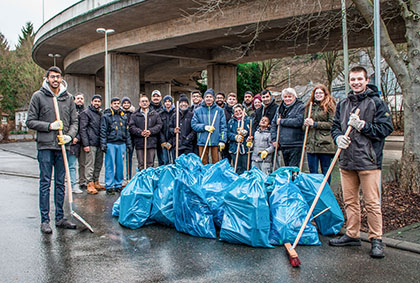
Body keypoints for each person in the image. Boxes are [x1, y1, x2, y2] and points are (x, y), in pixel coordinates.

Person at [329, 66, 393, 259]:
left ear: (366, 81)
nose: (356, 82)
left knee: (372, 203)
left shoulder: (376, 103)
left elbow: (385, 128)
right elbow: (334, 127)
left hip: (369, 161)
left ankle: (376, 239)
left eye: (359, 79)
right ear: (349, 81)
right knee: (350, 201)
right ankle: (352, 233)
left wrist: (363, 126)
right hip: (347, 161)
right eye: (353, 79)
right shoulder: (343, 104)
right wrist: (338, 137)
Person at [26, 66, 78, 234]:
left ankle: (60, 218)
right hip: (46, 146)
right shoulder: (38, 96)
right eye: (52, 77)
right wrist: (49, 126)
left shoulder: (68, 98)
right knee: (45, 182)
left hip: (62, 146)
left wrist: (69, 136)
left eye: (58, 77)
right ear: (47, 79)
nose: (55, 80)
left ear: (61, 79)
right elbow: (30, 121)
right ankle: (45, 220)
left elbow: (74, 122)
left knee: (61, 183)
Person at [303, 84, 337, 184]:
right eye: (316, 93)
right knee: (312, 171)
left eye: (320, 93)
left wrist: (315, 124)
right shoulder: (310, 107)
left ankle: (325, 192)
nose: (318, 95)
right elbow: (304, 126)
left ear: (325, 94)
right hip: (311, 144)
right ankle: (315, 192)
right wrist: (305, 124)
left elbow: (332, 124)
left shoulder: (330, 106)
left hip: (325, 144)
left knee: (325, 171)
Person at [100, 97, 132, 195]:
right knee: (109, 165)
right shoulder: (107, 116)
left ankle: (118, 184)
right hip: (111, 143)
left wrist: (129, 143)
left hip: (121, 143)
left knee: (120, 166)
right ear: (111, 105)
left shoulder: (123, 116)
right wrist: (103, 143)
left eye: (118, 103)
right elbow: (103, 130)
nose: (117, 105)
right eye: (115, 103)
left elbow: (127, 132)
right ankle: (109, 185)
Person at [191, 88, 227, 165]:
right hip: (202, 140)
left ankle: (215, 177)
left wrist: (222, 140)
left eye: (210, 97)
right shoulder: (198, 110)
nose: (208, 98)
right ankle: (204, 176)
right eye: (207, 97)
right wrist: (204, 127)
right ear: (204, 98)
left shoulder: (219, 110)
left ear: (213, 98)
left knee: (216, 162)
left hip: (215, 140)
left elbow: (223, 126)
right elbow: (194, 125)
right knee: (203, 162)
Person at [270, 88, 305, 167]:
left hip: (295, 143)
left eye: (290, 97)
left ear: (294, 97)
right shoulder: (280, 109)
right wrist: (274, 139)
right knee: (286, 168)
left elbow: (299, 121)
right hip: (283, 144)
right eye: (285, 97)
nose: (287, 99)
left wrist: (282, 121)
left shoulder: (300, 107)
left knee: (293, 168)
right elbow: (274, 123)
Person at [79, 94, 105, 195]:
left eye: (99, 101)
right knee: (90, 165)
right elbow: (83, 129)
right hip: (90, 143)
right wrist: (86, 144)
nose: (97, 103)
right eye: (95, 101)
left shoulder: (101, 113)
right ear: (91, 102)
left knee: (98, 164)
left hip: (99, 143)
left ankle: (96, 181)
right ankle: (89, 183)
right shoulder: (86, 113)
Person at [129, 95, 163, 170]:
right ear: (139, 103)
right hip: (140, 143)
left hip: (151, 142)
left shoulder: (154, 114)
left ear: (149, 103)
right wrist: (140, 132)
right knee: (141, 164)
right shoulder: (135, 115)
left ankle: (149, 180)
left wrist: (150, 131)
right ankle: (142, 180)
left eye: (146, 101)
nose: (144, 103)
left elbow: (159, 125)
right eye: (142, 101)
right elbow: (132, 126)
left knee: (150, 164)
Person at [227, 104, 251, 174]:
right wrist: (235, 137)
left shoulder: (248, 120)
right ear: (233, 113)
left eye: (239, 110)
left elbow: (252, 132)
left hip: (245, 148)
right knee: (237, 167)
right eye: (236, 111)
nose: (238, 112)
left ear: (243, 111)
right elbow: (228, 133)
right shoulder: (231, 122)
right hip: (235, 148)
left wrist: (246, 133)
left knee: (246, 167)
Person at [68, 92, 84, 194]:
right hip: (71, 142)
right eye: (78, 98)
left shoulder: (85, 112)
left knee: (82, 165)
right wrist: (72, 137)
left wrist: (78, 137)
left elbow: (83, 128)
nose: (80, 100)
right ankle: (72, 185)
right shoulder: (70, 111)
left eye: (81, 98)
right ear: (74, 100)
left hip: (81, 142)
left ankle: (82, 183)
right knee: (72, 165)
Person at [121, 96, 135, 180]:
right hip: (122, 139)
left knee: (129, 158)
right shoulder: (119, 113)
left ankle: (128, 176)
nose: (126, 104)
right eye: (124, 103)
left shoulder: (133, 113)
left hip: (131, 139)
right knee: (120, 159)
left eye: (128, 103)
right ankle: (121, 177)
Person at [159, 95, 175, 164]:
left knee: (175, 161)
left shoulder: (176, 113)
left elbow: (175, 128)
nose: (167, 103)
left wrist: (170, 142)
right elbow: (159, 128)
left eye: (169, 101)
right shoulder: (160, 114)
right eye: (165, 102)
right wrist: (163, 141)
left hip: (173, 141)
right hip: (164, 142)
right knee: (165, 161)